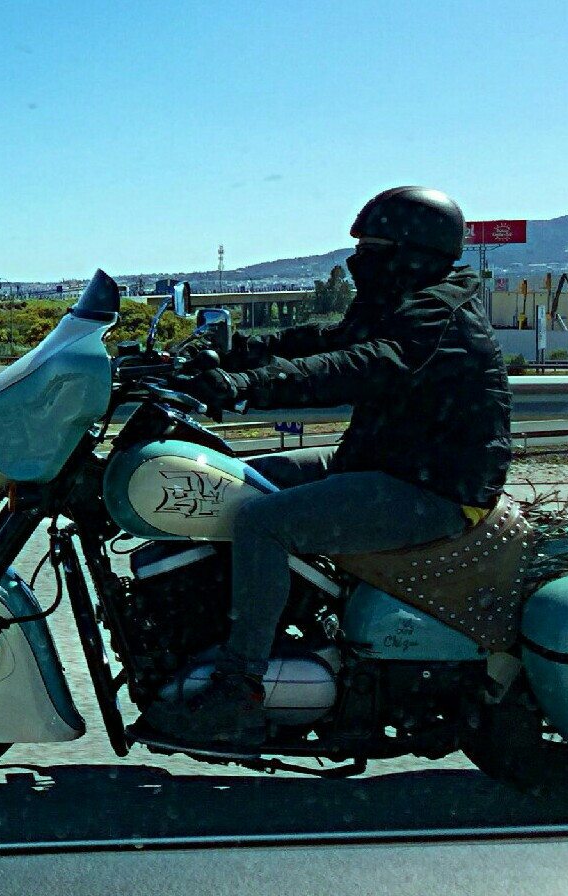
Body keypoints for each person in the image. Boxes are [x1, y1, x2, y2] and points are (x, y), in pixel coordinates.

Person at [142, 186, 512, 745]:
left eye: (372, 248)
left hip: (432, 488)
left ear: (412, 251)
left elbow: (360, 364)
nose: (358, 259)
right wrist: (236, 353)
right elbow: (329, 339)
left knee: (263, 522)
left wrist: (247, 385)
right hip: (382, 462)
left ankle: (239, 687)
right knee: (231, 479)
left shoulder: (437, 313)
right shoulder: (401, 300)